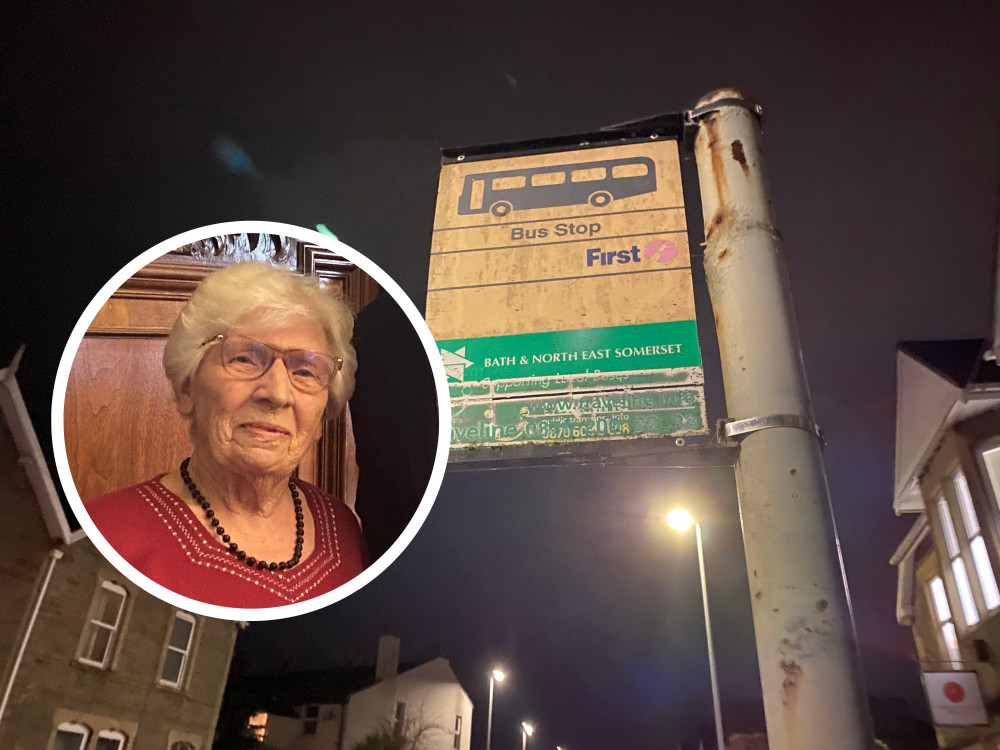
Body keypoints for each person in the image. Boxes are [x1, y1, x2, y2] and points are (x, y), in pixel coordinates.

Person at [85, 262, 367, 608]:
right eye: (245, 359)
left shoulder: (342, 527)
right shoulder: (102, 533)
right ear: (187, 388)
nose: (277, 394)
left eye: (305, 370)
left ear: (323, 412)